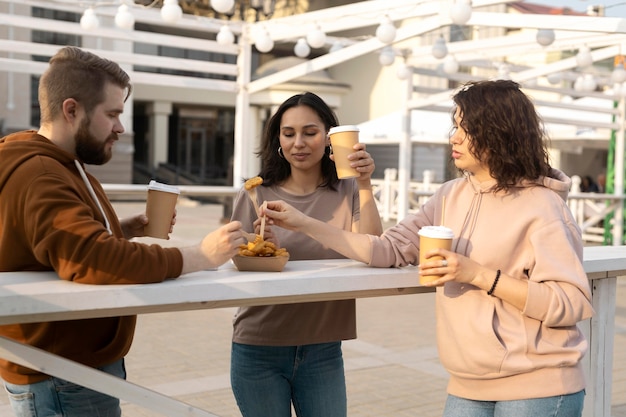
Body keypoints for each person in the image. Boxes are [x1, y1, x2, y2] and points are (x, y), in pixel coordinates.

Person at [262, 80, 594, 417]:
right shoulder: (449, 195)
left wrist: (476, 273)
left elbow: (572, 301)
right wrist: (303, 222)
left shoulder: (543, 207)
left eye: (467, 128)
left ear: (500, 132)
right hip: (467, 384)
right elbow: (386, 249)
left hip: (538, 385)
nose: (455, 137)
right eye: (456, 126)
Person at [0, 46, 245, 417]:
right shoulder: (43, 173)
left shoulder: (62, 165)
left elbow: (58, 244)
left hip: (64, 368)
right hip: (62, 374)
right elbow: (93, 259)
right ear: (71, 110)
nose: (121, 127)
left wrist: (119, 229)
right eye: (112, 114)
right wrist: (199, 256)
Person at [229, 91, 382, 417]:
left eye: (310, 132)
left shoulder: (349, 190)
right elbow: (234, 258)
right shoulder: (256, 193)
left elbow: (374, 248)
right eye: (289, 133)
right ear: (278, 139)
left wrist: (366, 183)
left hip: (323, 348)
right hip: (258, 348)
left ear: (328, 137)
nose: (298, 142)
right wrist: (259, 250)